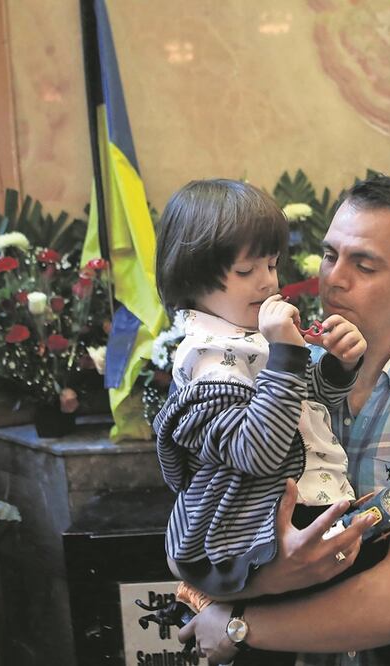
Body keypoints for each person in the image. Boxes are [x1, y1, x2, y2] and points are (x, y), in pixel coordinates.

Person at [178, 175, 390, 665]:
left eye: (364, 265)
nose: (335, 278)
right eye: (330, 255)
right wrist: (266, 577)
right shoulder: (266, 362)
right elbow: (198, 519)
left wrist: (240, 625)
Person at [152, 179, 373, 663]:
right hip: (247, 538)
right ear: (193, 279)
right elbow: (260, 449)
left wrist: (335, 365)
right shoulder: (207, 364)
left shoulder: (248, 339)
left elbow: (308, 403)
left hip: (289, 523)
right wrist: (290, 353)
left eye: (271, 265)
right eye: (246, 269)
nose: (268, 283)